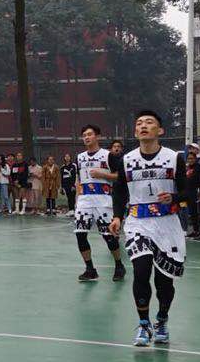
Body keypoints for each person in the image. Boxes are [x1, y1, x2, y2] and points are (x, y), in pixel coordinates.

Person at [109, 109, 187, 347]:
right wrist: (117, 217)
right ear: (136, 131)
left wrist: (174, 198)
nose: (143, 126)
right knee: (141, 271)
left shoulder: (174, 158)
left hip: (167, 224)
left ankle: (161, 320)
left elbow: (188, 192)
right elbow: (119, 191)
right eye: (139, 123)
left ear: (160, 130)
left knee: (164, 282)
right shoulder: (127, 160)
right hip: (138, 223)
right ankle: (144, 324)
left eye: (149, 122)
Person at [75, 124, 126, 282]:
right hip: (84, 199)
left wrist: (102, 175)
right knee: (80, 234)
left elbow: (120, 176)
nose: (86, 137)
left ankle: (119, 265)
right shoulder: (80, 157)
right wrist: (78, 198)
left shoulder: (108, 155)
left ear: (98, 137)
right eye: (84, 135)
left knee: (108, 236)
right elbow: (79, 179)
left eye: (90, 134)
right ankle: (90, 269)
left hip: (103, 199)